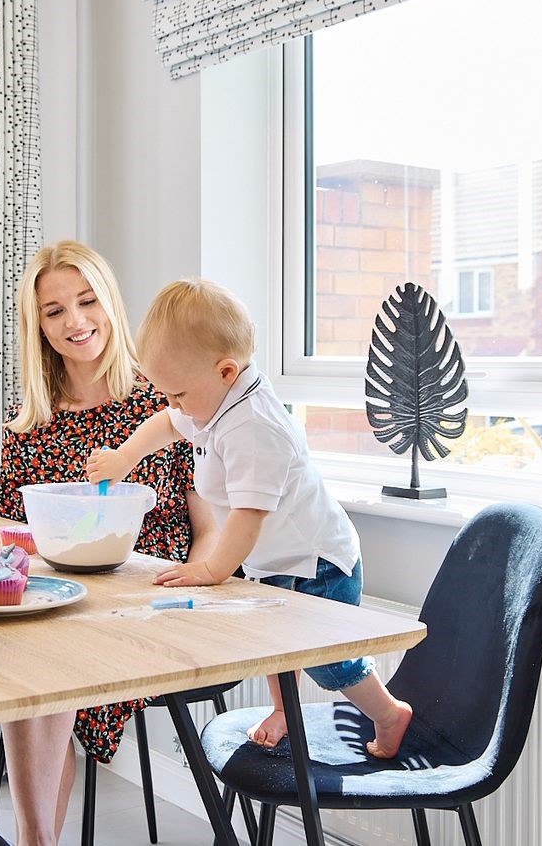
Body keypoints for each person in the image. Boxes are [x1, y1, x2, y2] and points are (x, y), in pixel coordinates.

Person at [86, 277, 413, 759]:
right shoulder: (211, 400)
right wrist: (123, 458)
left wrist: (213, 569)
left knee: (330, 663)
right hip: (277, 559)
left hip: (318, 562)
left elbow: (249, 514)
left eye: (177, 394)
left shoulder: (255, 425)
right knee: (276, 646)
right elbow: (164, 423)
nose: (173, 405)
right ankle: (284, 711)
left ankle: (388, 713)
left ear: (225, 370)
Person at [0, 241, 218, 846]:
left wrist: (198, 585)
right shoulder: (28, 423)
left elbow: (211, 523)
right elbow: (18, 539)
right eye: (54, 311)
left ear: (110, 304)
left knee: (47, 667)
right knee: (31, 661)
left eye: (87, 301)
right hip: (64, 600)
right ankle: (36, 840)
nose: (75, 321)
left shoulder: (165, 401)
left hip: (154, 595)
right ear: (37, 325)